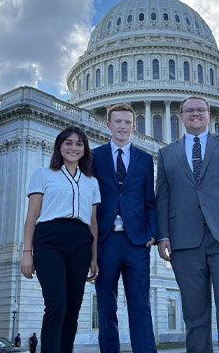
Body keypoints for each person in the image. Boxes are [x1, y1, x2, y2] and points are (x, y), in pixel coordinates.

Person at [156, 96, 219, 353]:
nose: (195, 114)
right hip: (185, 241)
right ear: (181, 115)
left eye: (200, 110)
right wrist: (162, 235)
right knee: (194, 316)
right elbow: (163, 198)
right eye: (189, 110)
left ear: (209, 114)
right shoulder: (167, 153)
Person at [21, 127, 100, 353]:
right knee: (56, 305)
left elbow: (93, 222)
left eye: (79, 144)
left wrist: (94, 257)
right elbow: (32, 217)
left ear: (85, 150)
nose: (73, 148)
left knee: (73, 309)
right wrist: (27, 253)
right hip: (49, 240)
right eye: (68, 143)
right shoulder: (43, 174)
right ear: (59, 146)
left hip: (81, 242)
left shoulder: (91, 182)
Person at [92, 104, 157, 353]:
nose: (122, 126)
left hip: (136, 242)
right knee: (106, 306)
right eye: (117, 121)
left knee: (140, 305)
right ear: (108, 125)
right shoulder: (95, 156)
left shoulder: (144, 159)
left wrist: (152, 233)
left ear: (133, 126)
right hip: (106, 240)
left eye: (127, 122)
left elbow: (149, 200)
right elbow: (90, 198)